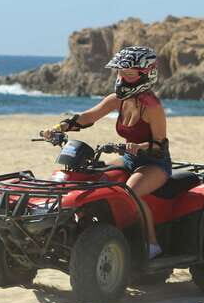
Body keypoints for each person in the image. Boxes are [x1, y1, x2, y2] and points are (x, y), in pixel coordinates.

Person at [40, 46, 171, 259]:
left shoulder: (152, 107)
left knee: (130, 192)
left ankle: (152, 244)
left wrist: (139, 147)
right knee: (93, 181)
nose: (122, 78)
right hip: (129, 159)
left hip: (154, 163)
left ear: (146, 74)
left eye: (128, 74)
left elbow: (160, 145)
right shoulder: (118, 99)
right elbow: (88, 116)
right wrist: (59, 127)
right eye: (120, 72)